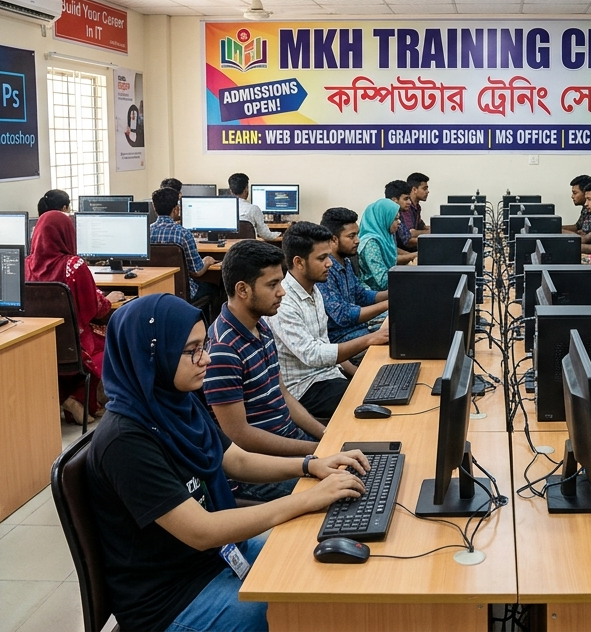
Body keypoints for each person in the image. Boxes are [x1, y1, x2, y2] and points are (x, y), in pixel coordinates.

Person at [86, 293, 368, 632]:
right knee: (290, 604)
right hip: (172, 597)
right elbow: (201, 531)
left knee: (315, 556)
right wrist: (307, 499)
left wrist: (310, 465)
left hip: (217, 557)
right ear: (150, 355)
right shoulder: (124, 441)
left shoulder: (177, 402)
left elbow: (237, 460)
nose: (205, 359)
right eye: (191, 350)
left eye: (203, 345)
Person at [204, 241, 328, 502]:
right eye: (272, 285)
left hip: (289, 445)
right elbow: (240, 436)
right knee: (346, 487)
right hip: (258, 470)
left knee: (360, 462)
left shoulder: (261, 326)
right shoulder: (223, 349)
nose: (282, 292)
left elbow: (282, 394)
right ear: (243, 289)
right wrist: (315, 450)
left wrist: (325, 435)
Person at [268, 222, 389, 419]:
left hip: (328, 376)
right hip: (304, 388)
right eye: (322, 258)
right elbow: (313, 355)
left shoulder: (314, 289)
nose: (329, 264)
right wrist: (369, 339)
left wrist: (358, 373)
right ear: (299, 262)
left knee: (379, 388)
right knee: (369, 403)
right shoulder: (284, 302)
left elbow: (325, 343)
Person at [27, 211, 125, 425]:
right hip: (74, 345)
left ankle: (66, 398)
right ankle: (78, 399)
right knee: (119, 339)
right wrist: (107, 299)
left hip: (36, 344)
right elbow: (95, 309)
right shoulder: (74, 265)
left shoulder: (25, 265)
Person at [318, 207, 389, 346]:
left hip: (358, 328)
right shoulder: (325, 270)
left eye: (357, 234)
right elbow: (342, 315)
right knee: (399, 332)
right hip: (341, 338)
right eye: (351, 236)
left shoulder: (346, 261)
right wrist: (388, 304)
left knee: (404, 319)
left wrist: (393, 294)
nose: (357, 240)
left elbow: (361, 296)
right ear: (334, 239)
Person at [150, 186, 219, 301]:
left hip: (153, 292)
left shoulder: (146, 232)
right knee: (216, 287)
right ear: (176, 209)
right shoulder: (183, 233)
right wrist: (207, 261)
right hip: (182, 292)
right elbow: (196, 272)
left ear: (154, 207)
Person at [358, 182, 418, 291]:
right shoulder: (371, 243)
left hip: (390, 290)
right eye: (395, 219)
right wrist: (410, 270)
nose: (399, 222)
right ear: (384, 219)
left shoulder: (386, 236)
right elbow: (384, 282)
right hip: (378, 294)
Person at [228, 173, 281, 241]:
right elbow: (266, 235)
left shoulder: (223, 209)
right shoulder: (253, 209)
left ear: (230, 190)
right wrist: (280, 234)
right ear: (246, 189)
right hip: (249, 246)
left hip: (227, 247)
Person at [395, 172, 430, 252]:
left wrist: (441, 230)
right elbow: (411, 233)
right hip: (405, 249)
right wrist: (434, 235)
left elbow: (423, 227)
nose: (427, 192)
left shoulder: (417, 207)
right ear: (414, 189)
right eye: (424, 189)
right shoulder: (406, 208)